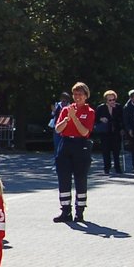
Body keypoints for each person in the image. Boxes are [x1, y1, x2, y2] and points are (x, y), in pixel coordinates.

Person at [54, 82, 96, 221]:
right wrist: (67, 119)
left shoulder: (89, 112)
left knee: (80, 178)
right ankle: (65, 211)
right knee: (64, 178)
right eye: (75, 94)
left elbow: (84, 132)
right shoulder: (66, 110)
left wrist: (75, 118)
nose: (77, 97)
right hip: (66, 143)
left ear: (86, 96)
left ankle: (80, 211)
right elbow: (58, 129)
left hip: (81, 145)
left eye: (80, 94)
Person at [94, 91, 125, 176]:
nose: (112, 101)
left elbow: (122, 119)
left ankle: (117, 167)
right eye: (110, 100)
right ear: (106, 100)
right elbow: (95, 119)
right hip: (105, 132)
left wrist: (122, 129)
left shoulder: (118, 107)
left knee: (116, 150)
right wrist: (101, 119)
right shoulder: (101, 108)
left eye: (113, 99)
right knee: (105, 150)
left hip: (116, 131)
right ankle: (106, 168)